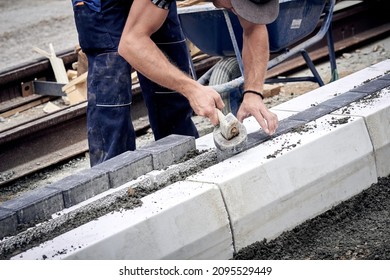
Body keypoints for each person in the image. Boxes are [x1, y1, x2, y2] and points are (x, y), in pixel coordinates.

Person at [71, 0, 279, 167]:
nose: (238, 11)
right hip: (103, 6)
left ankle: (184, 166)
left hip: (151, 4)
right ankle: (112, 188)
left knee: (174, 91)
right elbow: (131, 44)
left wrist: (253, 93)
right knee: (112, 97)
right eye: (237, 4)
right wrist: (192, 89)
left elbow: (253, 27)